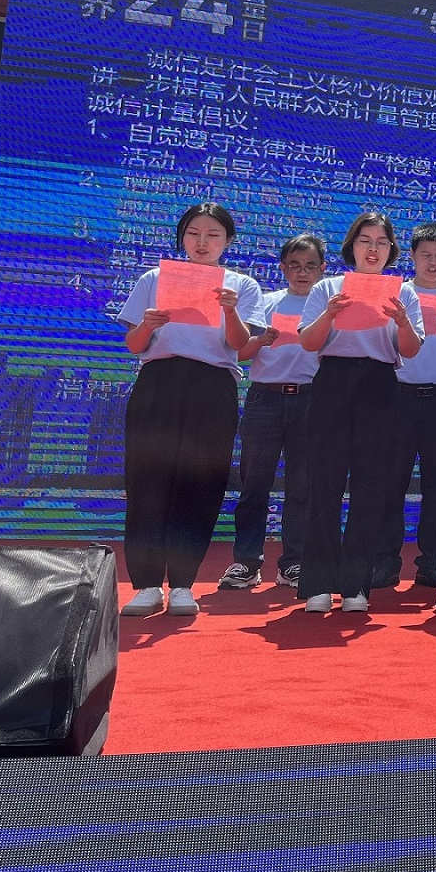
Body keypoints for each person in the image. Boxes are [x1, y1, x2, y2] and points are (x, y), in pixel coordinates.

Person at [118, 202, 265, 616]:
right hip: (158, 383)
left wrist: (229, 310)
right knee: (147, 481)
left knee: (201, 483)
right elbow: (134, 345)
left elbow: (240, 345)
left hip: (213, 387)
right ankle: (147, 585)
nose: (202, 242)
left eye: (212, 235)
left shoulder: (241, 285)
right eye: (194, 233)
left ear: (227, 241)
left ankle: (183, 583)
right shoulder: (154, 279)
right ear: (182, 237)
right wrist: (148, 325)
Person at [297, 212, 424, 614]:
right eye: (365, 240)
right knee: (325, 484)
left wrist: (402, 321)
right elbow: (308, 342)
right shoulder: (328, 288)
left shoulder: (403, 292)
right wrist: (330, 313)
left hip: (380, 384)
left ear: (391, 250)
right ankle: (318, 584)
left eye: (382, 242)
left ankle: (356, 585)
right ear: (351, 245)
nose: (373, 249)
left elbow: (411, 349)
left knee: (370, 487)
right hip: (332, 382)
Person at [219, 232, 324, 592]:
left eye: (310, 266)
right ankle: (246, 562)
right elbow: (239, 352)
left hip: (311, 399)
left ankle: (294, 562)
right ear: (282, 268)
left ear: (322, 269)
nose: (302, 272)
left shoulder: (327, 308)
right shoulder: (265, 302)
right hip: (266, 398)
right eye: (294, 265)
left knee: (302, 486)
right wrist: (260, 340)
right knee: (254, 484)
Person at [378, 223, 436, 590]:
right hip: (400, 397)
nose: (432, 262)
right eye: (426, 255)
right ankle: (384, 562)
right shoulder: (397, 294)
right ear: (411, 256)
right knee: (390, 482)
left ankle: (433, 562)